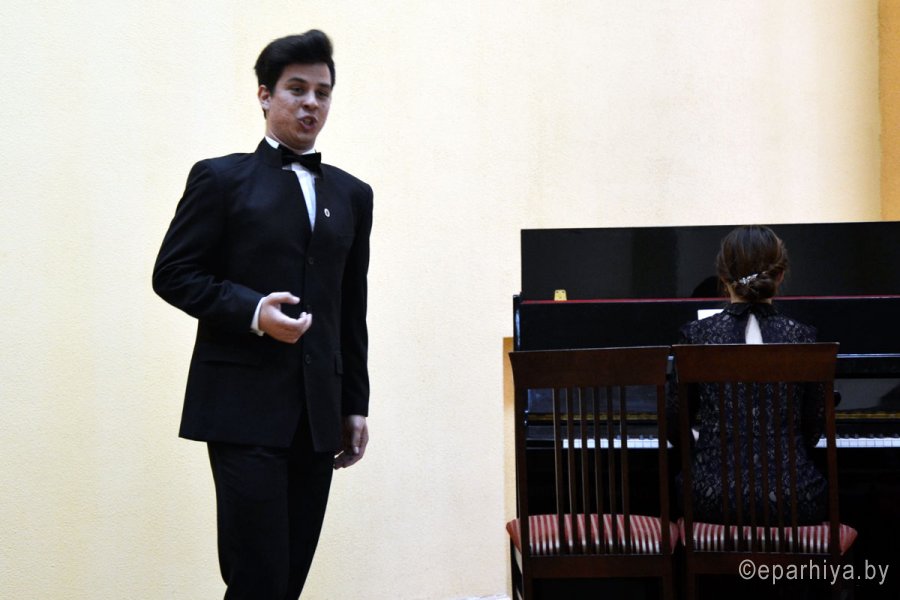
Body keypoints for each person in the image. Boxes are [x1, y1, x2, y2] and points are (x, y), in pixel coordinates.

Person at [152, 30, 372, 599]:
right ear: (265, 95)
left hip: (318, 413)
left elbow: (351, 307)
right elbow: (172, 273)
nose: (311, 103)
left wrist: (355, 404)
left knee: (289, 578)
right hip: (240, 409)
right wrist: (253, 311)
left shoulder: (353, 195)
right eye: (296, 89)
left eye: (322, 92)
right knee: (258, 577)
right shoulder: (220, 179)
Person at [669, 225, 827, 525]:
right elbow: (812, 431)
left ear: (723, 277)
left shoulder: (697, 336)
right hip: (795, 499)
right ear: (780, 276)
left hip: (710, 499)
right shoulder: (803, 338)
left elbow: (674, 425)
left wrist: (710, 445)